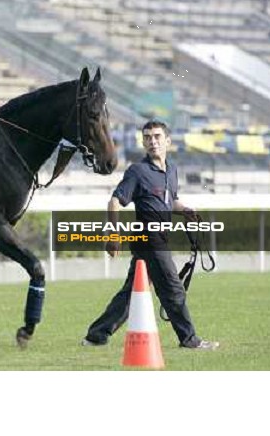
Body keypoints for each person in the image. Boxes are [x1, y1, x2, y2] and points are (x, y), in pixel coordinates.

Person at [81, 120, 220, 350]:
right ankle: (190, 340)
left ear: (168, 141)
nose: (152, 141)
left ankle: (96, 336)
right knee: (174, 289)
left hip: (160, 238)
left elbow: (169, 200)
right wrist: (113, 233)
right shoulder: (138, 171)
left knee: (131, 294)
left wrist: (184, 210)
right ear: (143, 142)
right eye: (147, 137)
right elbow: (115, 201)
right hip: (148, 240)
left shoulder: (172, 170)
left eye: (157, 136)